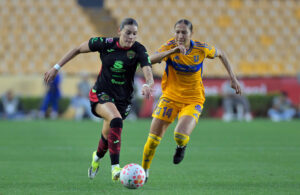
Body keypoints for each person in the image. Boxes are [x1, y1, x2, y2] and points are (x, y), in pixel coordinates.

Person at [44, 18, 154, 181]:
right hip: (101, 93)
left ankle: (96, 158)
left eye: (134, 34)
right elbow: (77, 49)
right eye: (128, 32)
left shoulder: (139, 50)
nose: (131, 37)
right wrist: (56, 67)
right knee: (116, 120)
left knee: (106, 136)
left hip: (122, 99)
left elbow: (148, 70)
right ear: (119, 31)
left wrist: (148, 84)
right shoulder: (105, 43)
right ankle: (115, 169)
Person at [141, 19, 241, 181]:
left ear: (191, 33)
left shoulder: (201, 49)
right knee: (152, 140)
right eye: (177, 32)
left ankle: (181, 146)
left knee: (180, 135)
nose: (180, 35)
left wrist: (233, 78)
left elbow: (221, 53)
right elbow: (148, 60)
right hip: (170, 98)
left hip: (193, 100)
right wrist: (172, 52)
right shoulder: (169, 46)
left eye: (184, 32)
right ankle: (144, 172)